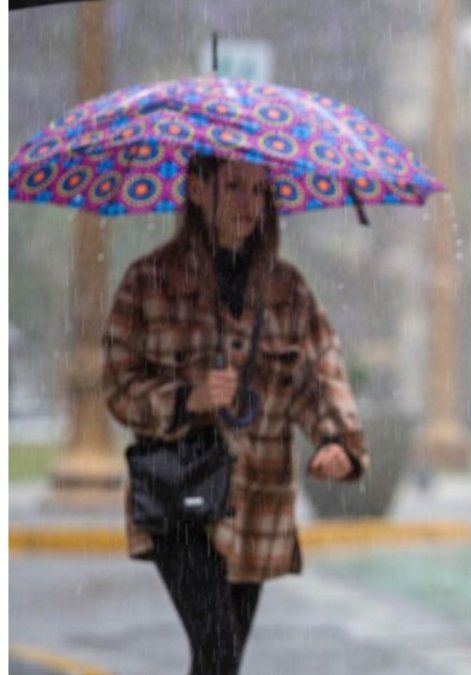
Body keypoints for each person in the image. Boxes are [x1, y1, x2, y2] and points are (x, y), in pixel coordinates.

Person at [103, 155, 367, 674]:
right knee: (219, 652)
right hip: (181, 499)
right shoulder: (147, 282)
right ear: (198, 190)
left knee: (220, 661)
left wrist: (336, 439)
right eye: (235, 186)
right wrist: (188, 397)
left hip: (257, 502)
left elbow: (318, 371)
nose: (250, 202)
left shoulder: (286, 289)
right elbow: (117, 385)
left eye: (259, 190)